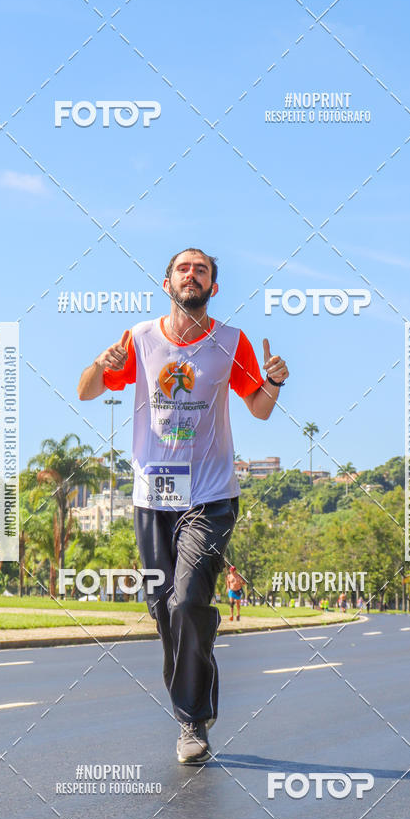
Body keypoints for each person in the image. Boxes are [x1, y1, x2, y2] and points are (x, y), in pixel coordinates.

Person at [78, 247, 288, 764]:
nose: (191, 275)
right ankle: (194, 699)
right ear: (166, 281)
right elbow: (86, 392)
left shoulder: (231, 343)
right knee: (164, 612)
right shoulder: (140, 338)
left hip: (211, 495)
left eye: (202, 270)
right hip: (154, 497)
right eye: (183, 268)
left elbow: (259, 410)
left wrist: (275, 381)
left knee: (189, 600)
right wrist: (99, 364)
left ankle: (192, 719)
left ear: (213, 287)